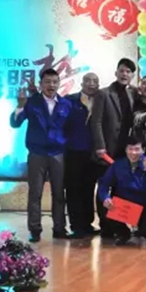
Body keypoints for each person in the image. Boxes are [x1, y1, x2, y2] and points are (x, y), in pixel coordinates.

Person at [10, 68, 72, 242]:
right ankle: (35, 230)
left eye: (54, 82)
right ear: (41, 84)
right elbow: (15, 123)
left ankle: (59, 228)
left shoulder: (66, 104)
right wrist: (20, 106)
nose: (51, 85)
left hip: (58, 153)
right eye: (47, 82)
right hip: (37, 153)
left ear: (59, 84)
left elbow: (70, 128)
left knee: (59, 193)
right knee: (35, 193)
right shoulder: (31, 102)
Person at [98, 136, 146, 245]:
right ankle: (122, 233)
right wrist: (106, 198)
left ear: (143, 150)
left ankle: (145, 230)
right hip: (124, 206)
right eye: (130, 149)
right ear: (126, 150)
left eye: (137, 149)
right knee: (105, 205)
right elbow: (104, 185)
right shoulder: (117, 165)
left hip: (144, 207)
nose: (133, 153)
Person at [64, 72, 100, 238]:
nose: (91, 84)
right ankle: (76, 225)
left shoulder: (101, 101)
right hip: (73, 151)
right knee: (73, 189)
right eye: (88, 81)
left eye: (95, 81)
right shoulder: (70, 101)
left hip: (93, 153)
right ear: (82, 83)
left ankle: (87, 223)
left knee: (89, 188)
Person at [91, 58, 137, 163]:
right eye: (121, 71)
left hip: (125, 146)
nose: (124, 74)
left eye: (128, 72)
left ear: (132, 76)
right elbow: (96, 122)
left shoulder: (132, 93)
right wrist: (100, 145)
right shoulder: (103, 93)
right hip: (107, 147)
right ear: (116, 73)